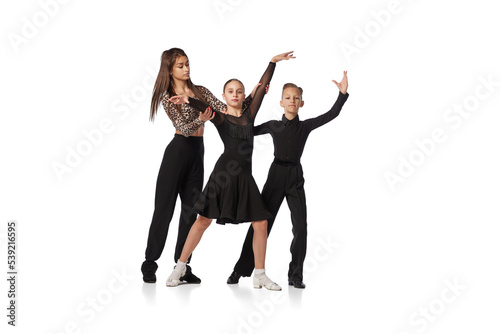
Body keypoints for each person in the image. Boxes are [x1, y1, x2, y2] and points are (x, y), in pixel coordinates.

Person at [165, 51, 295, 290]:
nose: (235, 95)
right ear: (223, 96)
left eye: (239, 91)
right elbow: (204, 106)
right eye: (230, 92)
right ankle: (179, 267)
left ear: (245, 96)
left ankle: (259, 274)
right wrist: (187, 101)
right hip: (223, 176)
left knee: (261, 223)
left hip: (245, 178)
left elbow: (263, 84)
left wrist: (272, 63)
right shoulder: (221, 117)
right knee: (202, 220)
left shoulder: (249, 115)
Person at [141, 48, 255, 284]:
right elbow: (182, 127)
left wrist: (252, 95)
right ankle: (150, 263)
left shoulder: (200, 91)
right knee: (164, 210)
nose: (186, 69)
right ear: (170, 70)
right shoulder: (167, 95)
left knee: (190, 213)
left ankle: (182, 267)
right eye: (181, 66)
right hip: (177, 153)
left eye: (187, 64)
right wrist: (201, 119)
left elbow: (226, 109)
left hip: (197, 153)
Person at [227, 71, 349, 288]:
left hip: (294, 178)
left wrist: (342, 94)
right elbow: (247, 130)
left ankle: (296, 275)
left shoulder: (305, 126)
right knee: (261, 224)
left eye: (296, 98)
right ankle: (240, 269)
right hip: (275, 176)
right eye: (288, 97)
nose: (292, 101)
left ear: (301, 103)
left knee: (301, 227)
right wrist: (242, 107)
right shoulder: (274, 124)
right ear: (281, 102)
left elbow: (331, 114)